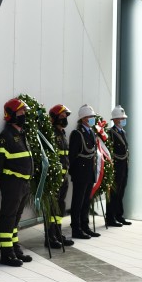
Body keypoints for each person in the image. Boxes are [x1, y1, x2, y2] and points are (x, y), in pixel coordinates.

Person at [0, 98, 34, 266]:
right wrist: (3, 179)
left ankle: (14, 248)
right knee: (8, 217)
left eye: (24, 112)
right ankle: (6, 253)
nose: (24, 115)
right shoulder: (5, 136)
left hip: (23, 183)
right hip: (12, 182)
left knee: (16, 217)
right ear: (11, 115)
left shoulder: (21, 134)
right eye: (21, 112)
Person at [68, 104, 100, 239]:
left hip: (89, 171)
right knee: (78, 201)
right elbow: (72, 156)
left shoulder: (91, 132)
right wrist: (73, 172)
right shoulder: (77, 134)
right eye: (91, 116)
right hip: (80, 172)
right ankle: (76, 228)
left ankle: (85, 226)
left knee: (86, 201)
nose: (93, 119)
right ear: (84, 118)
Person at [45, 104, 74, 249]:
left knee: (60, 207)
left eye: (65, 117)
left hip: (64, 178)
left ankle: (57, 233)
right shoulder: (51, 134)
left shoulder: (62, 134)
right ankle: (50, 237)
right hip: (55, 179)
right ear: (55, 118)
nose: (64, 119)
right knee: (52, 208)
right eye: (62, 116)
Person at [106, 105, 131, 226]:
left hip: (124, 166)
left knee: (121, 192)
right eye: (121, 118)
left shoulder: (123, 132)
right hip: (116, 166)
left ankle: (119, 215)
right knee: (114, 193)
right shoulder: (111, 133)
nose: (123, 120)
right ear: (115, 120)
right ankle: (111, 217)